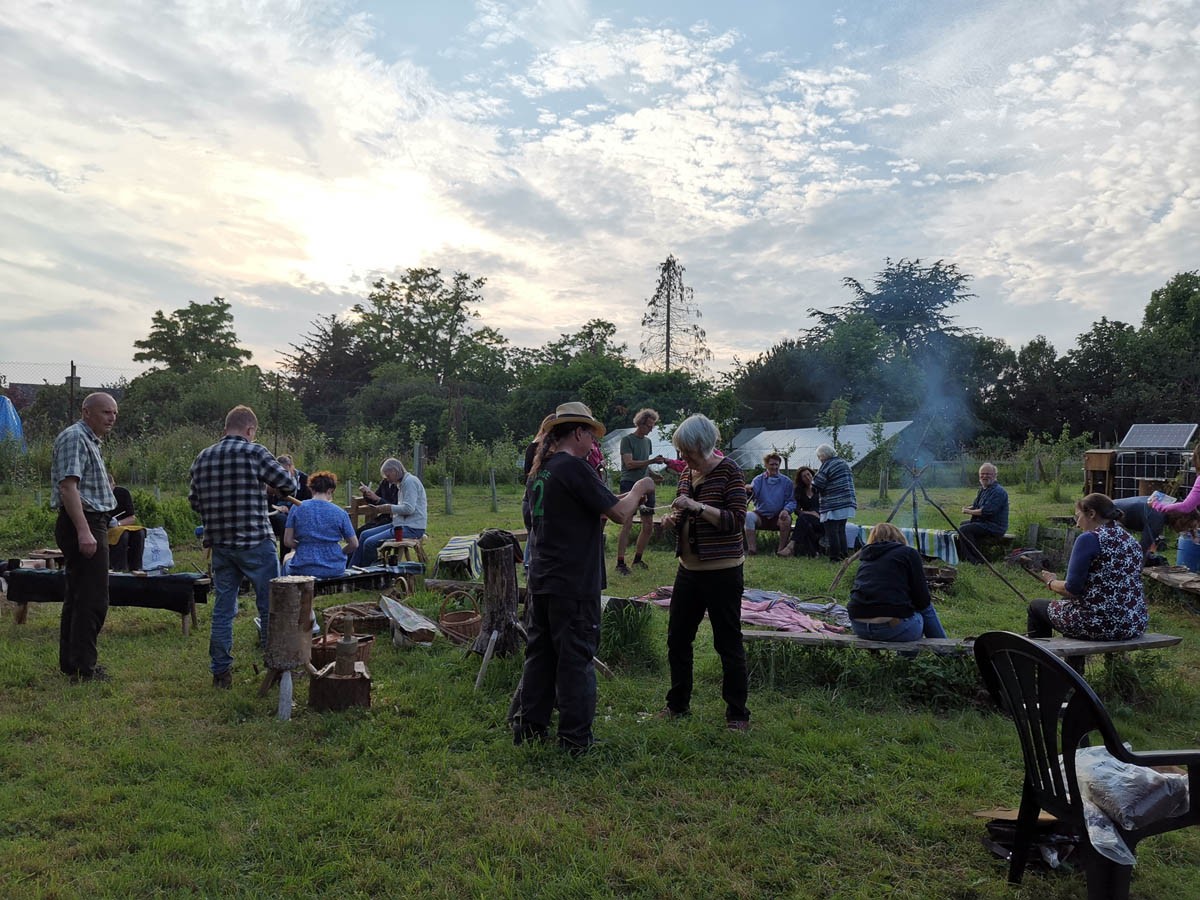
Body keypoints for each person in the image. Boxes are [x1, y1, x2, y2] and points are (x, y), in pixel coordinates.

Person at [513, 402, 655, 753]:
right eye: (591, 434)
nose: (594, 441)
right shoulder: (575, 467)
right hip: (573, 581)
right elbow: (620, 513)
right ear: (577, 432)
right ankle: (575, 740)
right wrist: (640, 488)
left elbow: (565, 511)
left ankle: (529, 730)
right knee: (576, 659)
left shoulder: (542, 471)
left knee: (540, 656)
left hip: (542, 578)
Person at [189, 405, 296, 689]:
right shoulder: (255, 452)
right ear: (250, 430)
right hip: (255, 542)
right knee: (269, 606)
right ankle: (275, 667)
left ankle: (221, 673)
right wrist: (267, 487)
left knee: (223, 609)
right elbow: (288, 485)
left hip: (221, 545)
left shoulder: (203, 457)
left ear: (225, 428)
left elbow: (195, 502)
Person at [658, 414, 751, 731]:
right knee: (677, 639)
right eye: (681, 451)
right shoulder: (687, 473)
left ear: (704, 445)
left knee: (727, 642)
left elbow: (736, 520)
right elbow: (683, 511)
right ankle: (677, 705)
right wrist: (674, 519)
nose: (683, 457)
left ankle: (737, 714)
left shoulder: (729, 471)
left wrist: (697, 507)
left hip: (722, 572)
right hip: (688, 569)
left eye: (688, 451)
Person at [51, 392, 119, 683]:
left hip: (92, 520)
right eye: (106, 412)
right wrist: (83, 531)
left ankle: (73, 664)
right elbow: (68, 488)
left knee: (79, 596)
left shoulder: (91, 440)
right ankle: (84, 668)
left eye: (114, 413)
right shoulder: (76, 437)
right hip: (84, 522)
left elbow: (82, 484)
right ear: (86, 411)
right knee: (92, 599)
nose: (111, 418)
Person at [1028, 493, 1148, 641]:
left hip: (1102, 625)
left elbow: (1072, 589)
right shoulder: (1130, 540)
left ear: (1091, 514)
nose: (1077, 524)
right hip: (1134, 623)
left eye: (1078, 517)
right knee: (1067, 605)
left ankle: (1040, 656)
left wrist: (1051, 582)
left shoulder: (1089, 538)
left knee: (1036, 607)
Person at [848, 523, 947, 642]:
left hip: (859, 627)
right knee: (925, 610)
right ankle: (943, 648)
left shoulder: (866, 557)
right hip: (892, 627)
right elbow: (922, 599)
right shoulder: (908, 553)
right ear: (899, 536)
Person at [348, 458, 427, 568]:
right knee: (364, 534)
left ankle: (368, 572)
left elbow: (409, 509)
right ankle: (351, 568)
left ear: (395, 471)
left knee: (369, 543)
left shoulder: (410, 482)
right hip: (400, 524)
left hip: (412, 528)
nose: (387, 479)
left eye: (388, 476)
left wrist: (388, 508)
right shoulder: (402, 483)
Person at [615, 408, 666, 575]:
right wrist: (651, 461)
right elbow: (629, 464)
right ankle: (620, 562)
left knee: (648, 525)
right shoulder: (627, 440)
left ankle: (637, 559)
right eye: (649, 426)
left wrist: (653, 474)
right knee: (628, 523)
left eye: (652, 426)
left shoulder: (647, 442)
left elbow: (644, 464)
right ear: (640, 424)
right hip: (629, 484)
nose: (651, 429)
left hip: (646, 485)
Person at [282, 471, 358, 578]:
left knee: (287, 559)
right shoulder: (340, 513)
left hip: (303, 568)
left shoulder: (296, 508)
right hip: (333, 568)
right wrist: (340, 552)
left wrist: (304, 546)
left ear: (311, 489)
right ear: (330, 491)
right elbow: (354, 544)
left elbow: (287, 541)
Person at [1113, 495, 1200, 563]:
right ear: (1181, 520)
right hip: (1109, 516)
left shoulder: (1168, 503)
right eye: (1188, 526)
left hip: (1113, 506)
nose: (1187, 530)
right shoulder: (1157, 518)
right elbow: (1142, 549)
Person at [812, 444, 857, 562]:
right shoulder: (843, 463)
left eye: (819, 457)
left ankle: (835, 557)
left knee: (832, 531)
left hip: (834, 503)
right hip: (847, 502)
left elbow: (818, 483)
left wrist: (812, 486)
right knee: (841, 530)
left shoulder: (827, 465)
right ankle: (844, 555)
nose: (819, 460)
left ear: (823, 455)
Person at [957, 463, 1009, 563]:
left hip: (995, 526)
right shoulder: (983, 489)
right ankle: (966, 554)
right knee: (963, 525)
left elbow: (986, 511)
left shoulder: (998, 491)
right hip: (984, 523)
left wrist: (967, 511)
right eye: (982, 474)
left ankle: (975, 559)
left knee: (964, 529)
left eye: (988, 474)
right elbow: (976, 505)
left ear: (995, 475)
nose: (985, 476)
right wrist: (967, 508)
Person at [744, 452, 794, 556]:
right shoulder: (758, 480)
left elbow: (791, 501)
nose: (774, 467)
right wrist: (748, 490)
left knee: (787, 519)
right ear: (766, 465)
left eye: (776, 464)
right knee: (748, 516)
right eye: (772, 464)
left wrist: (786, 510)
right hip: (761, 515)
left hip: (778, 516)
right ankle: (752, 549)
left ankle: (781, 550)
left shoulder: (787, 482)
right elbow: (752, 494)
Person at [777, 466, 821, 558]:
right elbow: (797, 510)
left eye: (808, 474)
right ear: (801, 479)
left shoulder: (819, 489)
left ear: (812, 474)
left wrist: (815, 513)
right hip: (807, 519)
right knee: (806, 524)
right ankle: (814, 553)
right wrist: (810, 513)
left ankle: (790, 547)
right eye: (804, 476)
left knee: (802, 520)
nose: (807, 477)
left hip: (821, 520)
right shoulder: (799, 491)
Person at [106, 474, 145, 572]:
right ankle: (119, 568)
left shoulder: (123, 493)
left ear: (114, 485)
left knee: (139, 533)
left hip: (121, 526)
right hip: (104, 528)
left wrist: (118, 523)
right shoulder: (98, 496)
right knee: (123, 535)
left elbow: (132, 518)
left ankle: (136, 568)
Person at [356, 459, 403, 537]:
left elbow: (395, 506)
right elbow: (374, 500)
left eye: (387, 474)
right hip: (383, 517)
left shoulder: (399, 485)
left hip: (393, 519)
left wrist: (378, 499)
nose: (385, 476)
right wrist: (367, 493)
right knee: (359, 532)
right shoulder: (384, 483)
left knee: (365, 534)